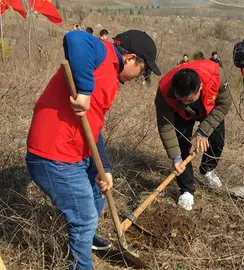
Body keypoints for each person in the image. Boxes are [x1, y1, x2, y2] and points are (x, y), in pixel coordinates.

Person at [25, 30, 160, 269]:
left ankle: (86, 238)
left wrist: (104, 168)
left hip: (74, 152)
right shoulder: (105, 53)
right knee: (85, 216)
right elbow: (75, 38)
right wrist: (85, 91)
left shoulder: (110, 75)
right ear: (130, 58)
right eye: (143, 69)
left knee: (97, 189)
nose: (141, 75)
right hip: (53, 154)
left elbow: (93, 127)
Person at [155, 60, 231, 211]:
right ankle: (186, 190)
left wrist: (202, 132)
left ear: (200, 87)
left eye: (189, 100)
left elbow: (224, 104)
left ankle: (207, 170)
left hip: (209, 108)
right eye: (181, 99)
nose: (185, 102)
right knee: (181, 145)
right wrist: (176, 157)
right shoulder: (164, 91)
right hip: (181, 115)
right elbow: (165, 126)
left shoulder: (215, 75)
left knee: (217, 140)